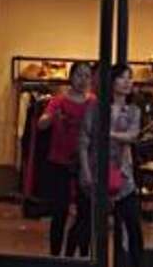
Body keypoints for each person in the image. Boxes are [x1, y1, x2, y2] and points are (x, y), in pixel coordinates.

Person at [79, 63, 144, 267]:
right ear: (112, 81)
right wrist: (85, 171)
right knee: (92, 226)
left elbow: (132, 135)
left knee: (132, 225)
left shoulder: (133, 110)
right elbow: (84, 141)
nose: (127, 82)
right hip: (98, 172)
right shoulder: (95, 108)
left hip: (123, 174)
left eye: (130, 78)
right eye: (122, 77)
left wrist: (108, 134)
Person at [37, 61, 94, 257]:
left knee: (85, 212)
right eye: (79, 75)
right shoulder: (58, 101)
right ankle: (55, 255)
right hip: (60, 161)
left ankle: (80, 254)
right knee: (59, 211)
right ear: (71, 77)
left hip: (85, 163)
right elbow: (42, 124)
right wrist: (50, 117)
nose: (83, 80)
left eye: (87, 76)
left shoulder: (93, 102)